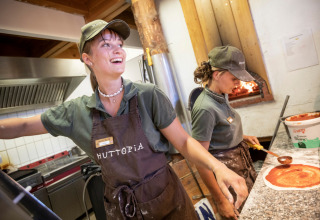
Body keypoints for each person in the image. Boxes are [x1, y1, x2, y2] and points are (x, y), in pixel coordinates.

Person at [0, 20, 248, 219]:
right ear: (88, 59)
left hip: (168, 203)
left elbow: (183, 142)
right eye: (107, 45)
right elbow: (22, 125)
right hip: (122, 210)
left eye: (119, 44)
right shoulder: (75, 112)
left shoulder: (148, 95)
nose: (118, 49)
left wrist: (218, 167)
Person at [190, 45, 260, 219]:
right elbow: (200, 159)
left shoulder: (222, 94)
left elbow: (218, 129)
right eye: (235, 78)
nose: (239, 83)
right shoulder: (205, 108)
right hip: (226, 175)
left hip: (240, 167)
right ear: (217, 74)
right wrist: (221, 201)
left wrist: (241, 137)